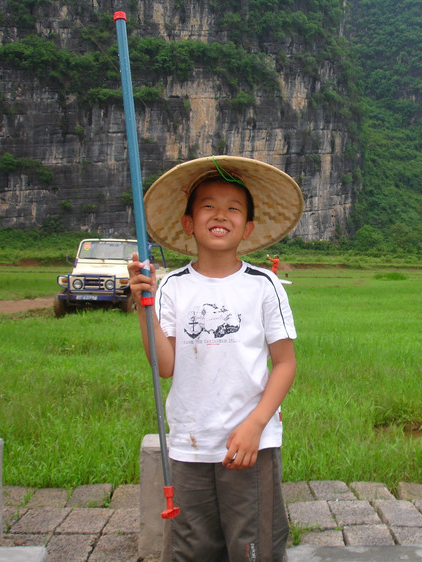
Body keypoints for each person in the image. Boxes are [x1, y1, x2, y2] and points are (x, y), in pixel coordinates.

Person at [127, 155, 304, 562]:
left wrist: (255, 425)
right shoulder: (171, 286)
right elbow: (165, 366)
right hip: (189, 445)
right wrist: (145, 307)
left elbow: (286, 363)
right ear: (189, 222)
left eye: (233, 208)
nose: (220, 215)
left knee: (252, 547)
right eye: (208, 205)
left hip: (249, 445)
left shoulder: (264, 285)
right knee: (193, 548)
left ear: (248, 227)